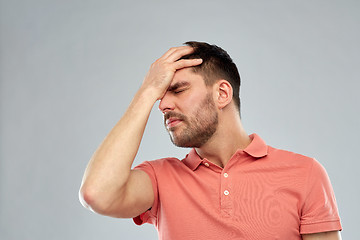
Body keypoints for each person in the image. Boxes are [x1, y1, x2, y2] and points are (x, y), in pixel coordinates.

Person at [79, 41, 342, 239]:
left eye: (178, 90)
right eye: (159, 96)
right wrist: (146, 92)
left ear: (222, 93)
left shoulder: (305, 173)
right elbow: (96, 194)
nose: (163, 105)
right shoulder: (159, 179)